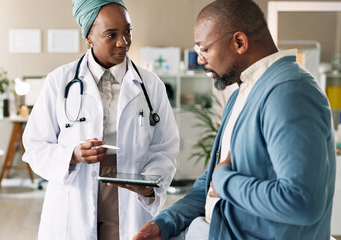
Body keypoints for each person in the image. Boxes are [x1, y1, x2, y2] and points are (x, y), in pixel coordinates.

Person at [133, 0, 336, 239]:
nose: (200, 60)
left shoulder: (289, 92)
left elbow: (303, 202)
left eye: (204, 49)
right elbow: (211, 183)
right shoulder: (243, 92)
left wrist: (225, 180)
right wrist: (165, 223)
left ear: (239, 42)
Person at [22, 1, 179, 239]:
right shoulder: (59, 81)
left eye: (127, 31)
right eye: (111, 34)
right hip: (76, 190)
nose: (122, 42)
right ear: (89, 37)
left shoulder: (150, 85)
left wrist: (147, 185)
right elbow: (35, 145)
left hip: (129, 190)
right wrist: (72, 155)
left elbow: (165, 148)